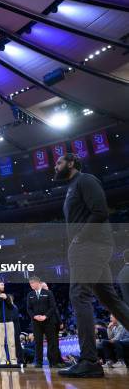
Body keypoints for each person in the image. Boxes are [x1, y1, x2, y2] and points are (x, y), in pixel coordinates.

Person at [53, 154, 129, 378]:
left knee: (79, 295)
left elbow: (100, 212)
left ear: (71, 163)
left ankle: (89, 361)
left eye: (58, 162)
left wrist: (80, 238)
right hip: (88, 247)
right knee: (110, 300)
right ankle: (88, 360)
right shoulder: (71, 187)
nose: (55, 167)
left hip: (90, 245)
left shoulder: (85, 180)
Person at [26, 276, 63, 368]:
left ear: (38, 283)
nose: (31, 285)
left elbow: (53, 307)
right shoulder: (30, 294)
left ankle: (53, 362)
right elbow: (29, 308)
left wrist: (45, 316)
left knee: (52, 342)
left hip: (48, 321)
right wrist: (34, 316)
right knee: (38, 342)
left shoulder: (48, 293)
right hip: (36, 322)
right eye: (30, 283)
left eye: (32, 283)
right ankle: (38, 362)